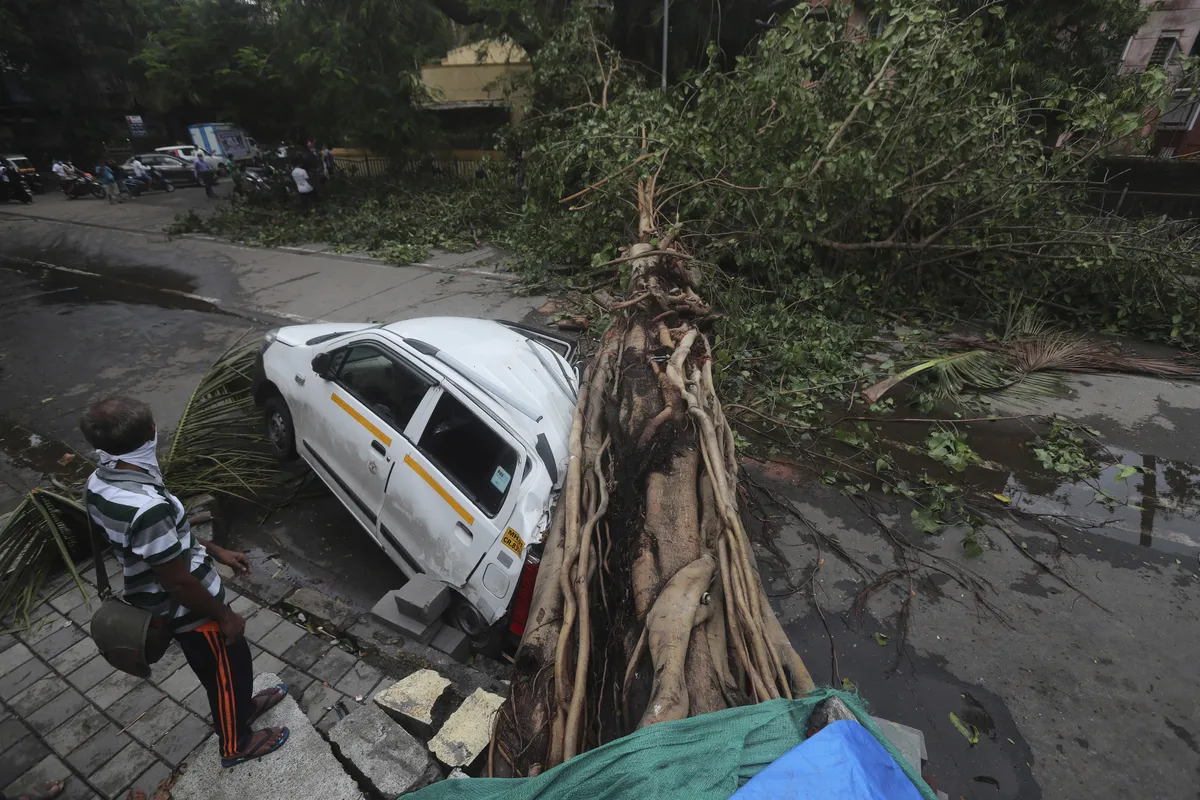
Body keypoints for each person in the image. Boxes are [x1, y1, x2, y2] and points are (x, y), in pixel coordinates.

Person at [80, 396, 291, 769]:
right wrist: (225, 615)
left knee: (228, 667)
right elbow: (177, 581)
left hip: (156, 594)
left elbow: (162, 543)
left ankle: (243, 707)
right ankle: (236, 742)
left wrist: (215, 550)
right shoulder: (147, 506)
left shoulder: (101, 481)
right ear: (150, 433)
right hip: (188, 608)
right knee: (226, 670)